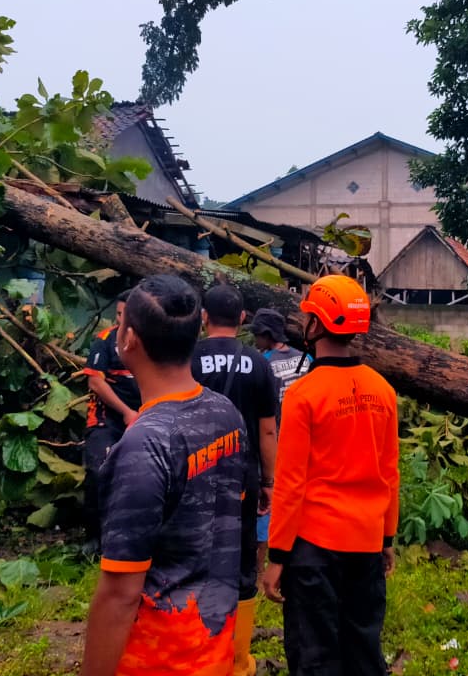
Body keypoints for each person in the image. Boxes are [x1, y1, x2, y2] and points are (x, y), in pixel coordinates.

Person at [80, 275, 247, 676]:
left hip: (159, 659)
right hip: (213, 645)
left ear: (129, 340)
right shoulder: (225, 413)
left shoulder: (145, 444)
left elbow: (120, 593)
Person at [261, 274, 399, 676]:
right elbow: (389, 472)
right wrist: (387, 538)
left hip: (314, 549)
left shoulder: (305, 394)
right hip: (367, 543)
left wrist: (277, 557)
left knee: (315, 655)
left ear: (317, 325)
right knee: (363, 648)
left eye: (307, 316)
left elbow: (290, 483)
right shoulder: (383, 390)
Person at [191, 285, 278, 676]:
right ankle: (238, 660)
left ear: (204, 317)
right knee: (243, 560)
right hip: (240, 476)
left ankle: (194, 650)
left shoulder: (186, 358)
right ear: (243, 318)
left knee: (191, 556)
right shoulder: (258, 363)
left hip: (192, 473)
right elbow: (267, 430)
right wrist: (268, 480)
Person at [248, 307, 311, 572]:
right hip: (302, 442)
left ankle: (260, 570)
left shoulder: (262, 364)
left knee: (266, 506)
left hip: (272, 443)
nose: (254, 342)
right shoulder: (306, 359)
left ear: (265, 335)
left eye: (256, 336)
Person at [82, 291, 140, 547]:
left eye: (125, 315)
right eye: (117, 314)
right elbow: (95, 381)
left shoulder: (150, 341)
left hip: (144, 418)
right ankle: (94, 538)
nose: (120, 321)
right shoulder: (104, 341)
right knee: (99, 471)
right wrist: (127, 412)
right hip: (107, 419)